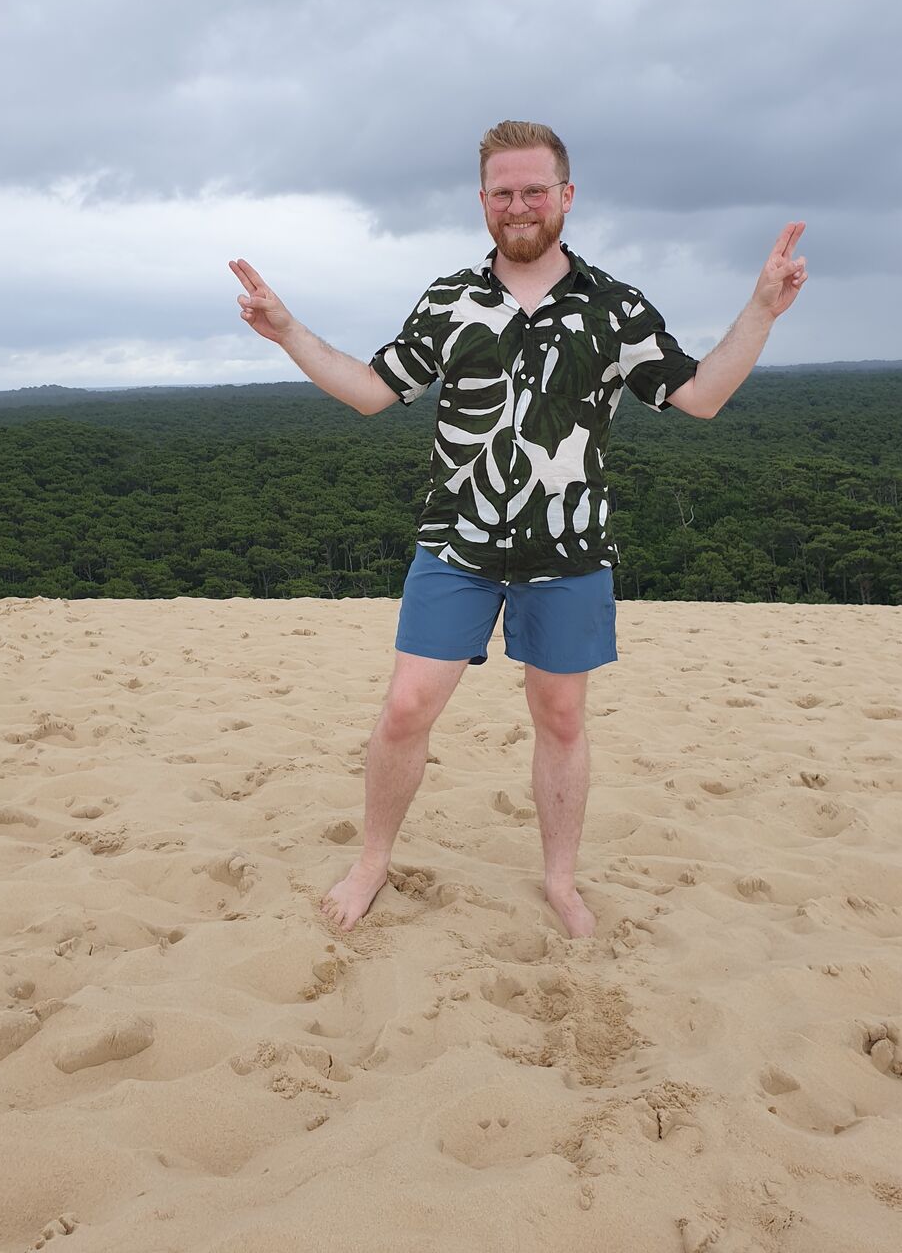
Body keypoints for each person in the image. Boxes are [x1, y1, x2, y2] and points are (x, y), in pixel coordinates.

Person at [229, 120, 807, 937]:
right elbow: (370, 390)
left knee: (561, 719)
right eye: (503, 192)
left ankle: (560, 881)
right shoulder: (449, 301)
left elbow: (701, 396)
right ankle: (372, 862)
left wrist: (762, 310)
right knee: (406, 708)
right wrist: (287, 330)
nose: (519, 205)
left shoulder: (615, 308)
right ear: (483, 202)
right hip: (457, 543)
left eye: (535, 190)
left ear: (566, 195)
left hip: (569, 550)